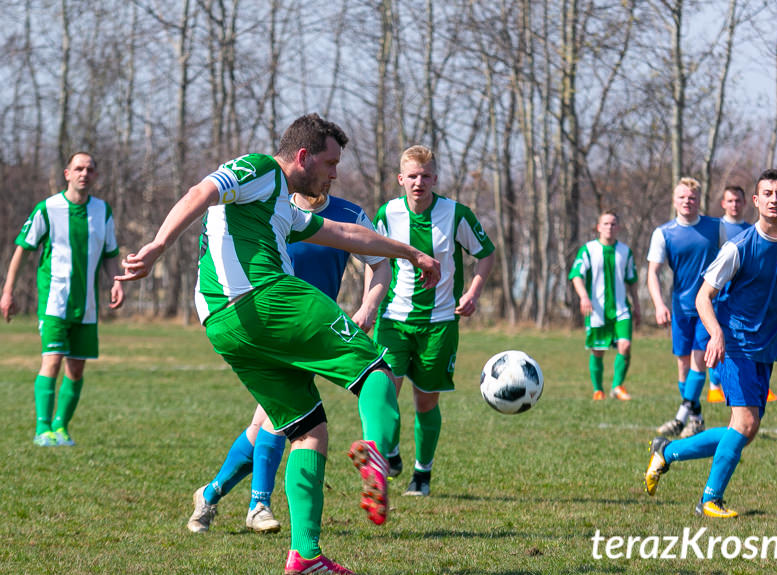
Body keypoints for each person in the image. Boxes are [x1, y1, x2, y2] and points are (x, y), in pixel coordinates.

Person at [116, 114, 440, 575]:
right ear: (303, 156)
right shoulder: (262, 169)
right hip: (266, 297)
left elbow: (344, 233)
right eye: (330, 163)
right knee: (377, 372)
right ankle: (376, 453)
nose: (334, 173)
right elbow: (200, 192)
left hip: (225, 327)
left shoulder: (281, 208)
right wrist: (159, 244)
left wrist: (409, 252)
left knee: (308, 431)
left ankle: (305, 555)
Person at [185, 179, 392, 534]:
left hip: (313, 329)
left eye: (331, 167)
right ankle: (257, 505)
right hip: (269, 325)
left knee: (267, 426)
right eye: (324, 163)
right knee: (275, 422)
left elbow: (379, 261)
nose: (327, 173)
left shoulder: (348, 215)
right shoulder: (274, 211)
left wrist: (368, 307)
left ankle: (211, 494)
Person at [644, 169, 777, 518]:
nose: (775, 199)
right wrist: (716, 334)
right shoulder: (739, 246)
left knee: (745, 429)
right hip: (734, 343)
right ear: (756, 201)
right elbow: (703, 297)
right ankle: (709, 500)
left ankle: (665, 452)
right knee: (744, 423)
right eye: (768, 194)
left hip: (767, 348)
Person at [372, 145, 495, 497]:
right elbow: (376, 262)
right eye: (412, 176)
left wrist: (473, 293)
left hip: (440, 323)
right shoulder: (387, 214)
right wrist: (369, 305)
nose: (418, 182)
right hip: (393, 320)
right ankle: (389, 456)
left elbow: (485, 255)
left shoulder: (457, 214)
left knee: (425, 402)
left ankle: (421, 475)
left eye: (426, 176)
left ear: (435, 179)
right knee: (384, 394)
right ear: (401, 179)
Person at [1, 152, 125, 447]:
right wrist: (8, 291)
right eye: (78, 168)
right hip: (54, 301)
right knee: (53, 361)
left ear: (95, 176)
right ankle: (42, 429)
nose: (84, 173)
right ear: (67, 173)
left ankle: (61, 427)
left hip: (87, 305)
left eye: (90, 169)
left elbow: (110, 255)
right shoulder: (49, 208)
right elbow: (22, 248)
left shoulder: (102, 211)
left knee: (77, 368)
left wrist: (116, 282)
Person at [647, 177, 726, 438]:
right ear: (674, 200)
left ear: (699, 200)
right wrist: (659, 304)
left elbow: (732, 261)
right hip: (680, 308)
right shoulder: (664, 233)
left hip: (709, 307)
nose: (687, 202)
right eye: (682, 197)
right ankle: (696, 418)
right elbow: (652, 273)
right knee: (683, 365)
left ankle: (680, 418)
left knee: (698, 362)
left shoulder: (716, 228)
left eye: (691, 198)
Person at [708, 186, 777, 404]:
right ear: (723, 203)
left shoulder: (752, 230)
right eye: (730, 201)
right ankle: (714, 387)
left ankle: (758, 386)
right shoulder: (716, 228)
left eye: (738, 201)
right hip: (719, 293)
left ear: (746, 203)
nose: (734, 205)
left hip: (745, 297)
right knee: (720, 340)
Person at [569, 210, 640, 401]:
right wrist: (584, 297)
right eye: (606, 224)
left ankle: (617, 386)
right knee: (598, 350)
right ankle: (598, 390)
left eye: (613, 224)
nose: (610, 227)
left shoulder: (625, 251)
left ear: (618, 227)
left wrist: (637, 305)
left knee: (625, 346)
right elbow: (576, 275)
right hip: (596, 310)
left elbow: (631, 280)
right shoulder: (588, 249)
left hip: (621, 309)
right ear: (598, 227)